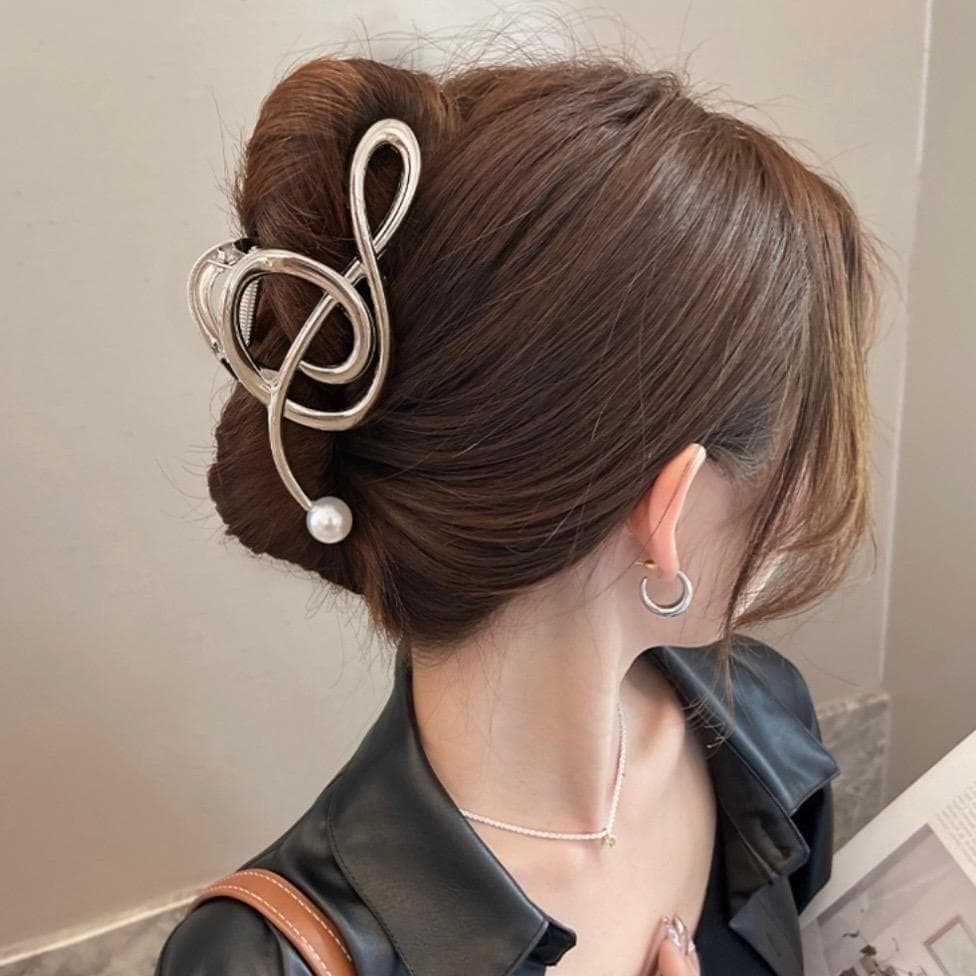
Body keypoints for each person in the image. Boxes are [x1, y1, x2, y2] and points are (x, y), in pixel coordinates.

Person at [156, 50, 883, 976]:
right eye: (796, 444)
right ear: (673, 508)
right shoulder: (266, 963)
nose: (806, 495)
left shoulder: (764, 735)